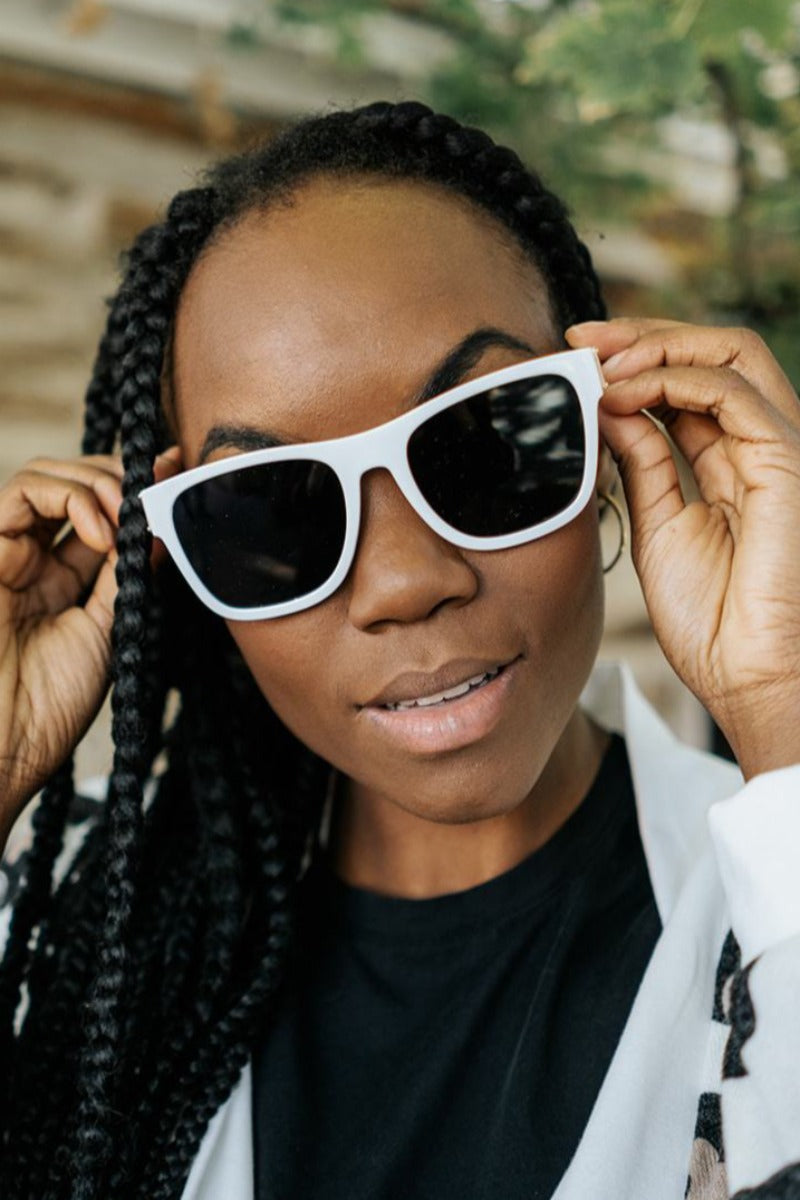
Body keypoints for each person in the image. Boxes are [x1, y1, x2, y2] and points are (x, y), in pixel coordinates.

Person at [0, 99, 798, 1200]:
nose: (404, 582)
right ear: (174, 553)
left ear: (610, 430)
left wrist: (785, 701)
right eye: (273, 507)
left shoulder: (771, 891)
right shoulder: (73, 922)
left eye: (482, 445)